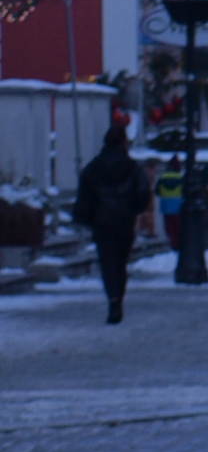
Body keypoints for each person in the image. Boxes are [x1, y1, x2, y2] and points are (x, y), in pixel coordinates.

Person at [72, 113, 156, 324]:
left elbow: (85, 196)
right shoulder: (133, 168)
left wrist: (87, 217)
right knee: (121, 261)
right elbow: (143, 193)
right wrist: (135, 209)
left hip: (102, 223)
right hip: (125, 221)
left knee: (108, 261)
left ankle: (113, 298)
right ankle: (119, 297)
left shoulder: (93, 168)